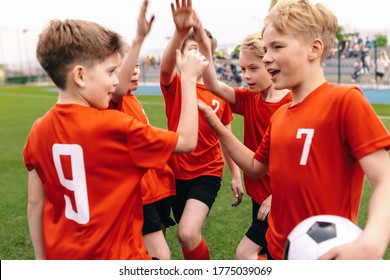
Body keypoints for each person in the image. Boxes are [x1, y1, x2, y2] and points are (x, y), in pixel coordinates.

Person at [198, 0, 390, 260]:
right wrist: (219, 127)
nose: (266, 58)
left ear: (314, 48)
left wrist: (372, 242)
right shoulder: (279, 116)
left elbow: (384, 180)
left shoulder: (345, 101)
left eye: (277, 47)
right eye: (265, 49)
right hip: (280, 252)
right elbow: (255, 167)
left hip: (325, 255)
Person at [23, 17, 209, 260]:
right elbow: (186, 141)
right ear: (80, 76)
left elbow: (36, 204)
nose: (115, 81)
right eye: (111, 71)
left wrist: (41, 261)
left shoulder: (38, 130)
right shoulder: (114, 126)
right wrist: (189, 79)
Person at [196, 28, 291, 259]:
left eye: (253, 69)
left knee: (244, 254)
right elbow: (213, 86)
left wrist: (277, 195)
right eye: (242, 69)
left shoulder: (290, 103)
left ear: (271, 64)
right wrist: (205, 46)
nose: (246, 76)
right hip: (258, 195)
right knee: (270, 254)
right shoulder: (251, 98)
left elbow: (296, 159)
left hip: (278, 199)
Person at [159, 0, 243, 260]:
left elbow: (225, 136)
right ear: (181, 56)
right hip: (175, 173)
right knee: (186, 238)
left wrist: (236, 175)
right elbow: (165, 67)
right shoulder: (176, 83)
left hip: (207, 173)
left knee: (187, 233)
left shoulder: (218, 93)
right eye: (190, 50)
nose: (197, 56)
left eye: (201, 51)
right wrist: (180, 33)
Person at [109, 0, 175, 260]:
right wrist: (138, 39)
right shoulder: (115, 99)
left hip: (157, 187)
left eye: (136, 66)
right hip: (139, 192)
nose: (134, 72)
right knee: (161, 256)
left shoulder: (133, 100)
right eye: (126, 67)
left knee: (156, 249)